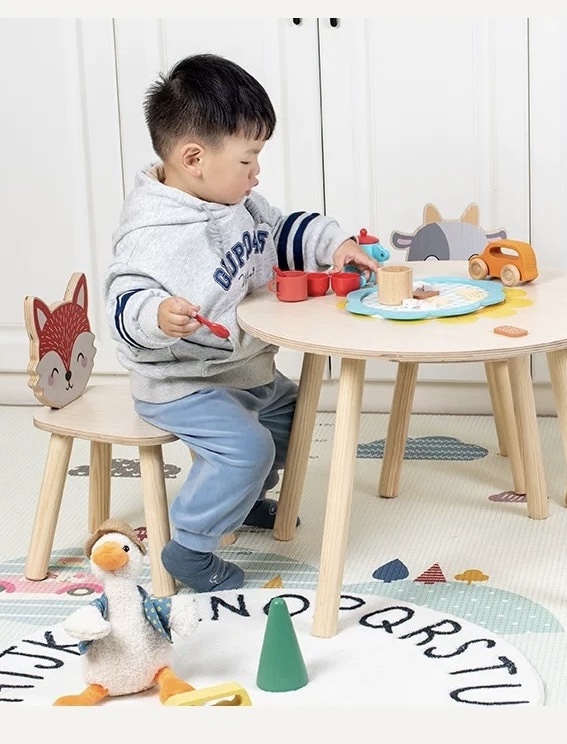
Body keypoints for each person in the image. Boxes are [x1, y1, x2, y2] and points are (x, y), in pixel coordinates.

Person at [104, 53, 378, 593]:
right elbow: (124, 296)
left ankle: (242, 498)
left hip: (245, 371)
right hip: (183, 383)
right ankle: (190, 546)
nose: (257, 173)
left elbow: (280, 230)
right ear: (194, 158)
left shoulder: (237, 201)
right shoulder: (153, 232)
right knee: (247, 449)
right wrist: (156, 314)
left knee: (298, 417)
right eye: (248, 160)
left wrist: (335, 244)